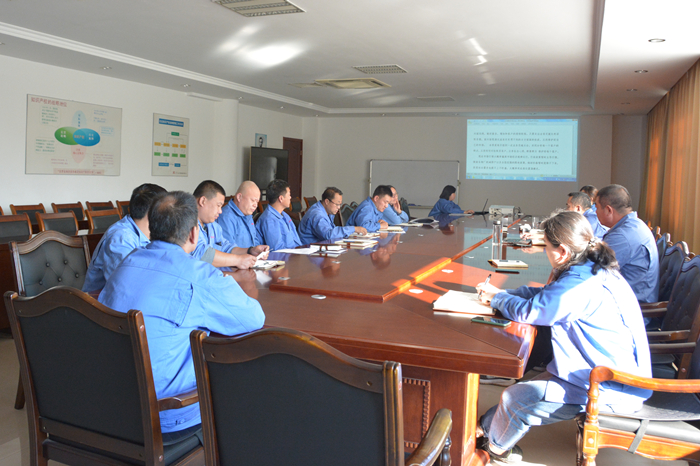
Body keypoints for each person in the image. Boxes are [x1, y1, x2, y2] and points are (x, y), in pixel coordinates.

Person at [475, 210, 651, 463]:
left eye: (546, 246)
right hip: (596, 367)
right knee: (527, 387)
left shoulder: (581, 284)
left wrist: (498, 298)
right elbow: (547, 295)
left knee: (515, 398)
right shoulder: (588, 267)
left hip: (610, 383)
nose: (544, 251)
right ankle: (485, 427)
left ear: (562, 252)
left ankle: (495, 449)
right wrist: (504, 294)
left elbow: (532, 311)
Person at [98, 191, 265, 438]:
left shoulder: (127, 263)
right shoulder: (199, 275)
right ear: (194, 233)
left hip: (106, 406)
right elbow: (253, 318)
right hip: (165, 416)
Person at [83, 183, 166, 292]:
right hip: (98, 301)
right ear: (154, 214)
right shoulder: (121, 239)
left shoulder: (154, 235)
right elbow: (128, 286)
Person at [596, 184, 658, 303]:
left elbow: (595, 269)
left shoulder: (622, 236)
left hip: (634, 305)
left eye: (597, 207)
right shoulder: (635, 224)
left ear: (608, 210)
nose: (595, 212)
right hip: (635, 296)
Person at [191, 180, 268, 268]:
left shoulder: (212, 225)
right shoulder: (186, 223)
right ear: (203, 201)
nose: (220, 211)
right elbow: (202, 254)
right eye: (218, 205)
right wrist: (238, 260)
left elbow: (226, 247)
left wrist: (250, 250)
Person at [298, 187, 367, 244]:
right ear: (327, 202)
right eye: (337, 204)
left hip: (321, 247)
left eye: (340, 204)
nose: (339, 207)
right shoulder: (317, 215)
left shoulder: (328, 212)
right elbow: (328, 235)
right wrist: (354, 229)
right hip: (310, 251)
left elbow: (332, 231)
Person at [255, 179, 302, 250]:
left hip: (295, 253)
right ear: (281, 198)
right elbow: (277, 249)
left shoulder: (285, 215)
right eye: (289, 195)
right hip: (285, 255)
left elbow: (296, 241)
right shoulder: (269, 219)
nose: (290, 197)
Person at [217, 181, 261, 249]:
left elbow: (254, 240)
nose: (256, 205)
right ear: (239, 197)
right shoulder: (226, 217)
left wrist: (259, 250)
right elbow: (228, 249)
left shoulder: (248, 214)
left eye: (257, 202)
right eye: (252, 200)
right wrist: (251, 251)